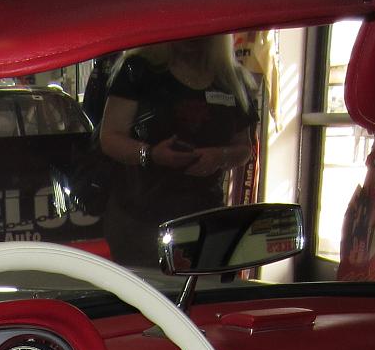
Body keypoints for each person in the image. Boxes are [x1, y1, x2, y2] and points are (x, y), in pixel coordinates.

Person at [95, 36, 257, 267]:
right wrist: (150, 155)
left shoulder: (231, 78)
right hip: (140, 214)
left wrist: (219, 156)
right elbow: (110, 137)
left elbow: (244, 148)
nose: (192, 38)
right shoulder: (139, 70)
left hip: (204, 214)